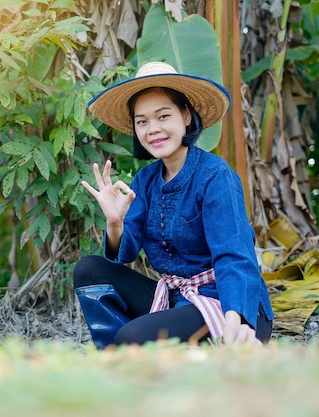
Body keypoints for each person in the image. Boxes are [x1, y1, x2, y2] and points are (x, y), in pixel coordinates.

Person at [73, 61, 274, 349]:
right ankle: (115, 354)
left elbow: (235, 257)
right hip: (177, 300)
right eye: (142, 121)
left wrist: (235, 324)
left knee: (131, 337)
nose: (152, 129)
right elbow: (125, 253)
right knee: (88, 269)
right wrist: (115, 222)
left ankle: (128, 350)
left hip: (227, 303)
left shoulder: (215, 177)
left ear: (186, 116)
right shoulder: (145, 181)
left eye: (163, 116)